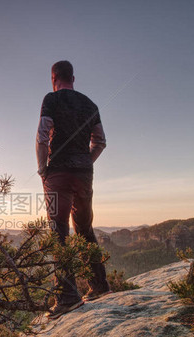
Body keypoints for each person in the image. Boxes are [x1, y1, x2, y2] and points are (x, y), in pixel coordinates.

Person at [36, 60, 111, 320]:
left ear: (53, 78)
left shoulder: (51, 100)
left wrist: (42, 168)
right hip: (84, 175)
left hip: (58, 173)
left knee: (58, 231)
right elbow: (100, 142)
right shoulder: (90, 104)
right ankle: (99, 285)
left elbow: (43, 136)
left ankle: (68, 298)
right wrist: (84, 162)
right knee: (84, 227)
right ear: (74, 78)